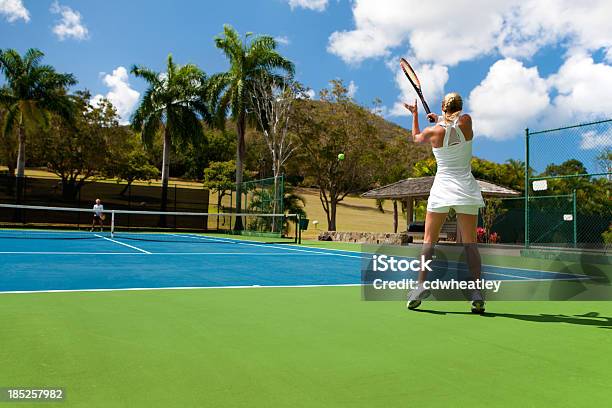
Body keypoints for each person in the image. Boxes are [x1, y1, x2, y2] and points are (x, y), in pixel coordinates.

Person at [404, 92, 486, 314]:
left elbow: (416, 137)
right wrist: (441, 119)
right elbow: (454, 125)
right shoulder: (467, 122)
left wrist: (415, 115)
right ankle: (477, 292)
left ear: (443, 107)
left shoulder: (433, 131)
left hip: (442, 188)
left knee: (429, 241)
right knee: (470, 243)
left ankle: (420, 286)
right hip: (466, 188)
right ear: (460, 107)